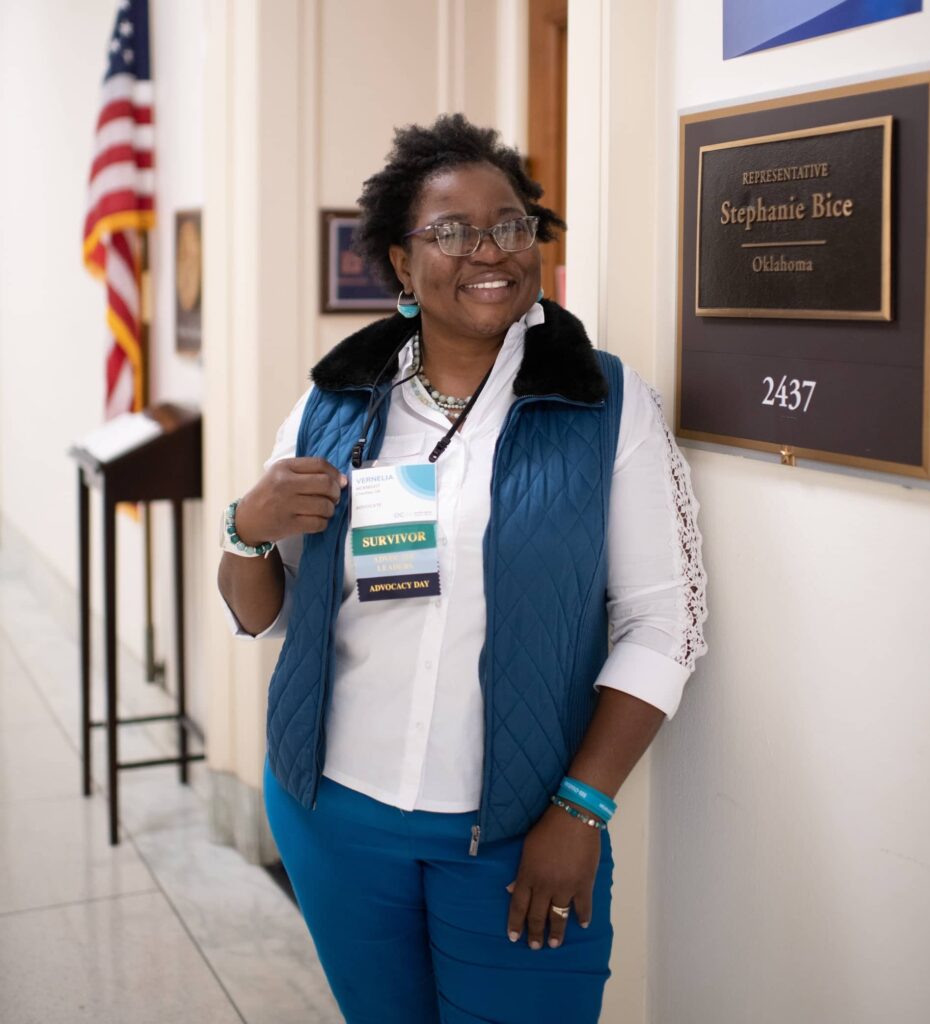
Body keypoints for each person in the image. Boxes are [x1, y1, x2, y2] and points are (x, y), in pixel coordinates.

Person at [218, 114, 707, 1024]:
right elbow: (265, 615)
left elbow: (664, 621)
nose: (489, 249)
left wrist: (581, 810)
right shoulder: (334, 402)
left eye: (511, 223)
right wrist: (244, 531)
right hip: (334, 818)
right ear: (402, 264)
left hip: (522, 832)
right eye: (450, 231)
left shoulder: (602, 403)